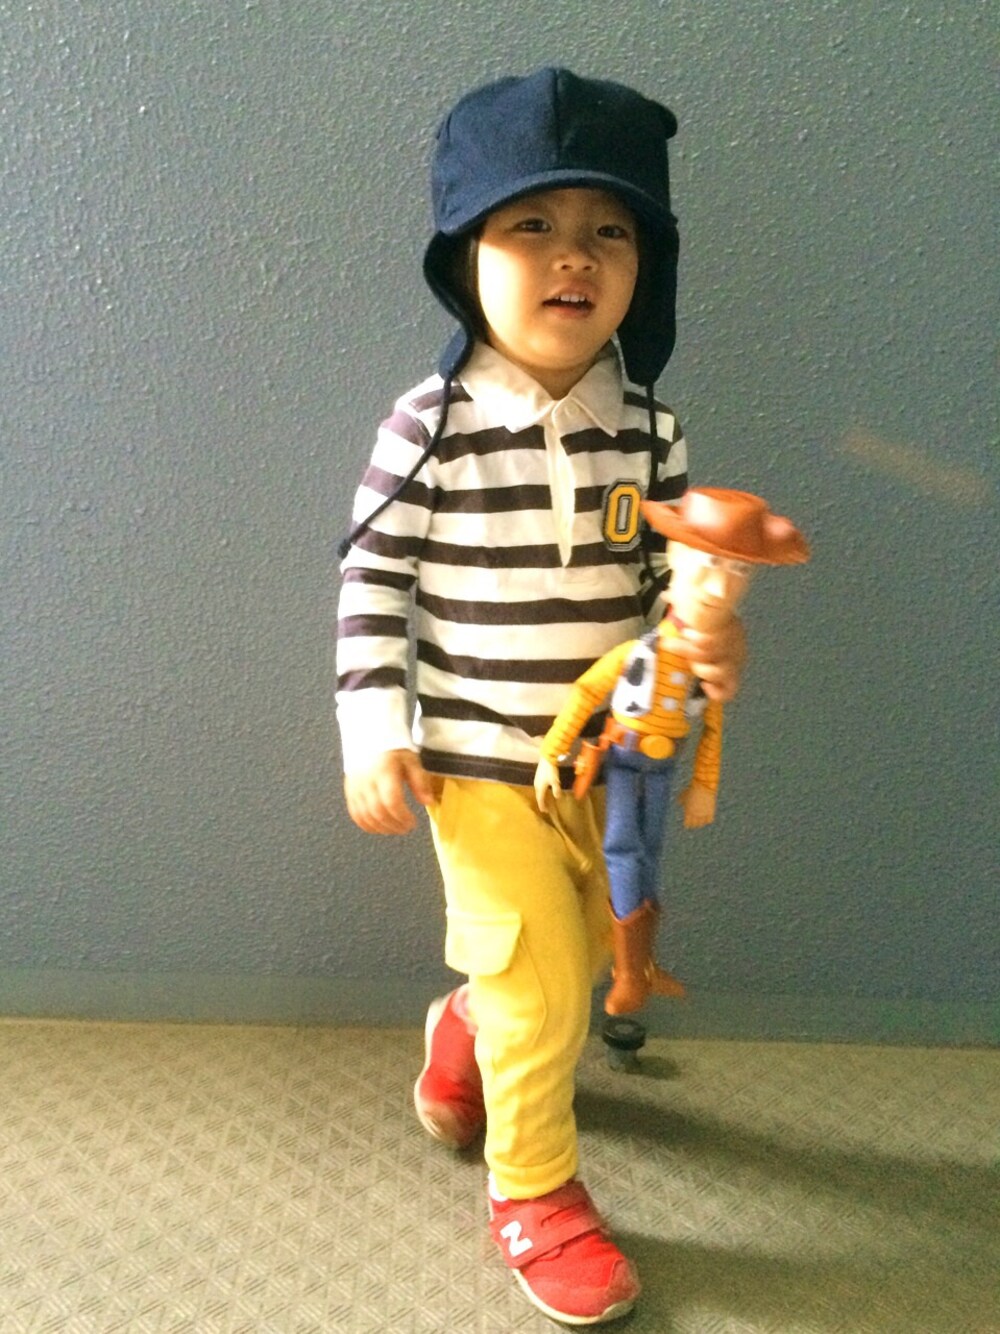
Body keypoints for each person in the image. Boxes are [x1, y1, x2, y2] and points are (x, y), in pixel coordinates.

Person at [336, 68, 745, 1326]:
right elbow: (372, 579)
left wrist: (704, 630)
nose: (575, 256)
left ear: (643, 264)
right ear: (465, 255)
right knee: (549, 988)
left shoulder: (652, 430)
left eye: (609, 229)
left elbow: (668, 575)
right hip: (475, 761)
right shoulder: (430, 427)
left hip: (610, 765)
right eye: (533, 224)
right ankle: (535, 1188)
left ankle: (468, 1024)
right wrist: (374, 726)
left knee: (561, 958)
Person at [534, 488, 809, 1016]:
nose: (721, 586)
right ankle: (628, 974)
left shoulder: (703, 670)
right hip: (624, 760)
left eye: (740, 570)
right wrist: (553, 752)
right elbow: (587, 692)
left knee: (649, 856)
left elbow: (713, 728)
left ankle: (640, 965)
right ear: (675, 560)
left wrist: (705, 786)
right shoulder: (637, 653)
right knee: (622, 851)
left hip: (663, 769)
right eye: (709, 563)